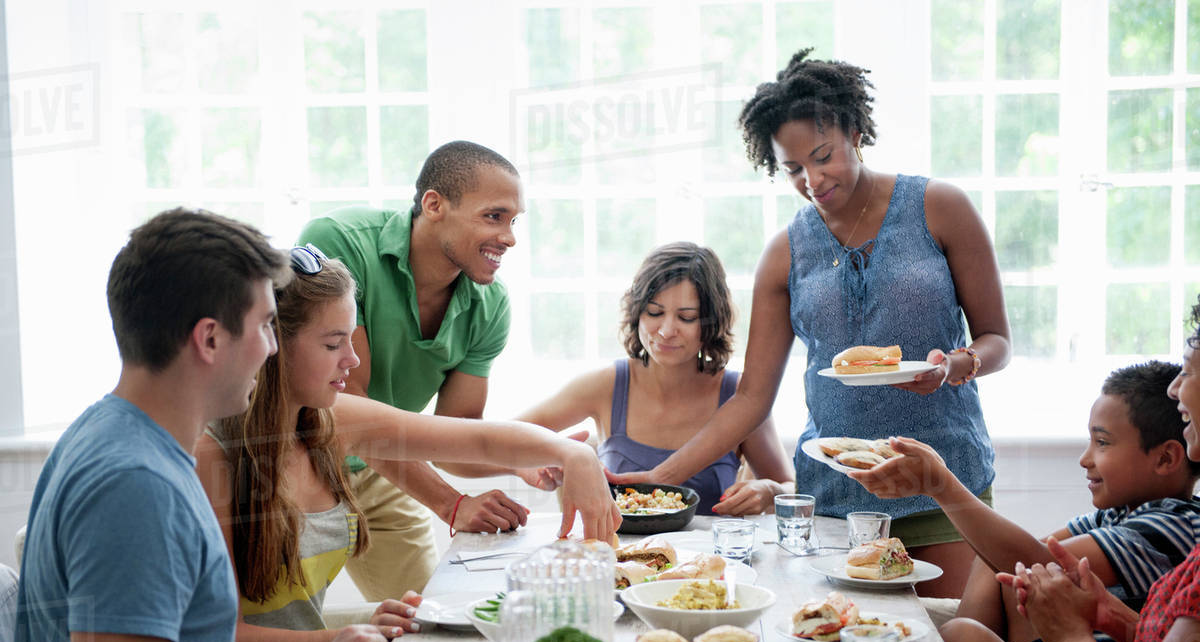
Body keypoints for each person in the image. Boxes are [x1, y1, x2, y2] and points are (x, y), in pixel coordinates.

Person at [12, 209, 389, 642]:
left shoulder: (126, 436)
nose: (271, 349)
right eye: (266, 325)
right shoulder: (134, 488)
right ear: (210, 338)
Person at [608, 48, 1010, 597]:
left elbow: (998, 341)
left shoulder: (940, 208)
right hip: (834, 498)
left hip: (945, 481)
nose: (812, 180)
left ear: (855, 132)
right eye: (793, 169)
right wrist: (662, 478)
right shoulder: (785, 252)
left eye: (823, 157)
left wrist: (957, 365)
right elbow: (751, 399)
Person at [195, 253, 620, 642]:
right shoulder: (211, 454)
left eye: (351, 338)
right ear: (272, 345)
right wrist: (352, 638)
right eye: (332, 343)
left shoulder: (329, 419)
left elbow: (478, 439)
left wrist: (574, 454)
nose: (353, 359)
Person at [850, 361, 1200, 642]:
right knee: (994, 564)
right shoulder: (1117, 515)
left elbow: (1044, 564)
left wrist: (942, 486)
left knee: (964, 635)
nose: (1085, 459)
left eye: (1103, 443)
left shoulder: (1173, 525)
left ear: (1166, 459)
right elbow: (1023, 554)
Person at [297, 140, 530, 600]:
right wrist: (451, 503)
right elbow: (347, 405)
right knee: (280, 629)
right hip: (293, 461)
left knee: (430, 616)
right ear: (434, 204)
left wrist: (525, 460)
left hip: (377, 469)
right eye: (493, 216)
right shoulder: (338, 243)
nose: (509, 236)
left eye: (513, 220)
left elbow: (452, 437)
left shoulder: (490, 306)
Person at [991, 314, 1200, 642]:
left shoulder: (1176, 523)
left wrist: (1069, 636)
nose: (1175, 391)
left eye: (1188, 373)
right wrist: (1112, 618)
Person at [493, 241, 794, 516]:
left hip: (707, 570)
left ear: (712, 322)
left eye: (686, 318)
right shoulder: (605, 385)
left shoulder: (741, 397)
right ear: (637, 312)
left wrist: (769, 491)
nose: (665, 331)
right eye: (654, 313)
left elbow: (791, 489)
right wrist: (534, 460)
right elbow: (498, 440)